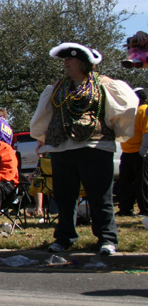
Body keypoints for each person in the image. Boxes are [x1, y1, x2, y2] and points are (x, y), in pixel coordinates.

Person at [30, 43, 138, 255]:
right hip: (62, 148)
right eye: (65, 60)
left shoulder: (104, 84)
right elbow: (45, 115)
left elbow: (126, 107)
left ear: (83, 62)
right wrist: (43, 140)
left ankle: (107, 238)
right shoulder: (57, 87)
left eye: (71, 60)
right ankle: (64, 237)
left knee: (100, 196)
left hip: (95, 146)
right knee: (64, 196)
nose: (66, 63)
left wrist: (113, 129)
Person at [117, 88, 148, 216]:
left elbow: (147, 132)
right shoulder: (132, 111)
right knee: (126, 182)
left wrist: (143, 151)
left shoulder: (144, 110)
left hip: (139, 152)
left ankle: (144, 209)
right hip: (127, 151)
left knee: (141, 183)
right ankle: (125, 209)